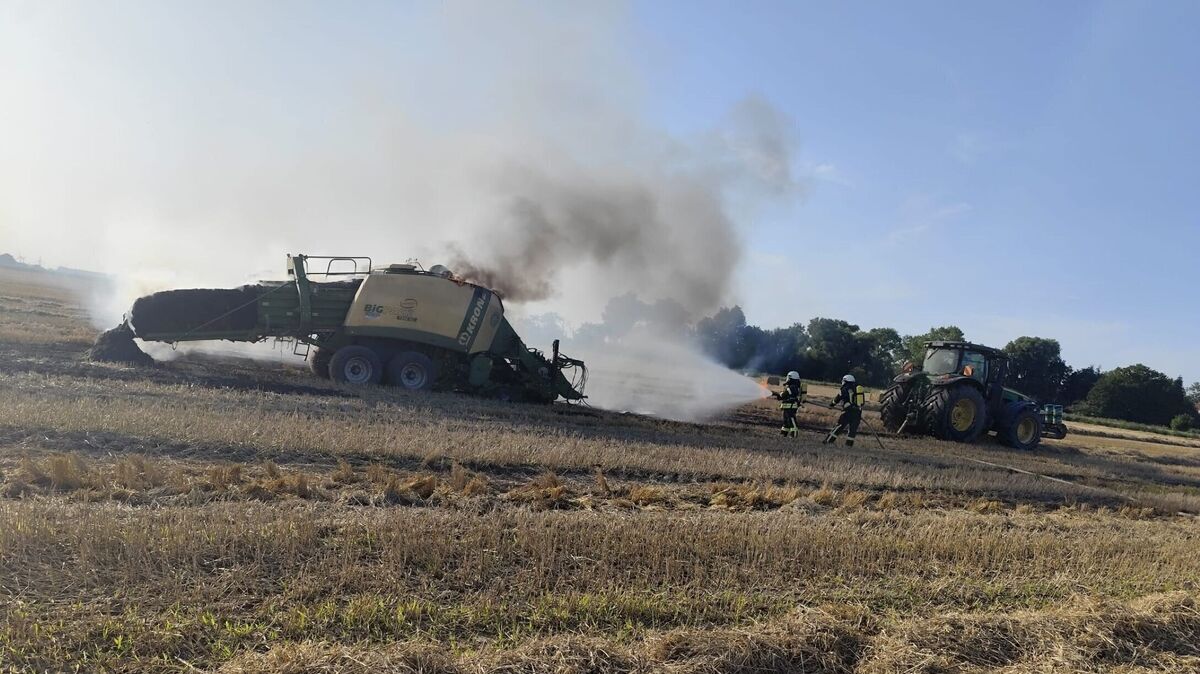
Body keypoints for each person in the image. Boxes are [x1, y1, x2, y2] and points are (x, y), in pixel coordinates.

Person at [824, 374, 866, 446]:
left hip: (848, 412)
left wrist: (831, 405)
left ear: (845, 381)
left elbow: (837, 398)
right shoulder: (858, 388)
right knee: (852, 430)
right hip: (858, 412)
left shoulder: (845, 388)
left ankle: (828, 441)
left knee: (839, 426)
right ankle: (848, 445)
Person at [772, 371, 806, 437]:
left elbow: (784, 395)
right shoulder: (793, 387)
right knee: (786, 421)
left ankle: (794, 435)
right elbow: (783, 396)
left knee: (791, 421)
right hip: (787, 407)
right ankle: (783, 434)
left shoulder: (792, 387)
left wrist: (777, 394)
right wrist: (778, 395)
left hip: (791, 407)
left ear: (790, 378)